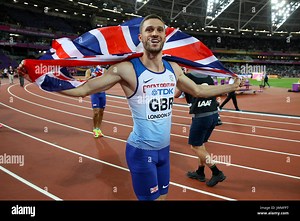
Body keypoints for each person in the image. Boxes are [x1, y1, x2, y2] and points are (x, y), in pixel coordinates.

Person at [18, 14, 240, 201]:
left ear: (165, 36)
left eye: (159, 30)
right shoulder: (126, 69)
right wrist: (37, 78)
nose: (155, 33)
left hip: (164, 152)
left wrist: (231, 85)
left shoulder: (174, 68)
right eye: (149, 30)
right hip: (141, 153)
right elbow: (84, 89)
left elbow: (198, 91)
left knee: (162, 198)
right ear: (140, 37)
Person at [175, 71, 225, 187]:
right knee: (201, 144)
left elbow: (177, 95)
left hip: (201, 116)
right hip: (213, 114)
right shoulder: (209, 77)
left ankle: (216, 172)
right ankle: (200, 172)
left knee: (195, 146)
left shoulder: (187, 77)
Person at [85, 65, 106, 138]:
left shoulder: (104, 70)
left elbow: (107, 79)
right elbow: (86, 80)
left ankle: (98, 129)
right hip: (94, 93)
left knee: (101, 112)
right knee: (96, 112)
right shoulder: (89, 71)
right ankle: (94, 129)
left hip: (102, 93)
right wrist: (93, 76)